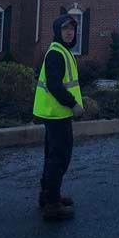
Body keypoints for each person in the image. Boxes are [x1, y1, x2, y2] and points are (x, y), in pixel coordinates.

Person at [33, 14, 84, 221]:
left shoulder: (62, 51)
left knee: (52, 156)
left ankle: (48, 195)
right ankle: (52, 206)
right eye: (65, 29)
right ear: (57, 31)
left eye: (72, 28)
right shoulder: (56, 53)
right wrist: (73, 104)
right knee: (59, 159)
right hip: (57, 114)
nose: (69, 32)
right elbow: (54, 85)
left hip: (54, 113)